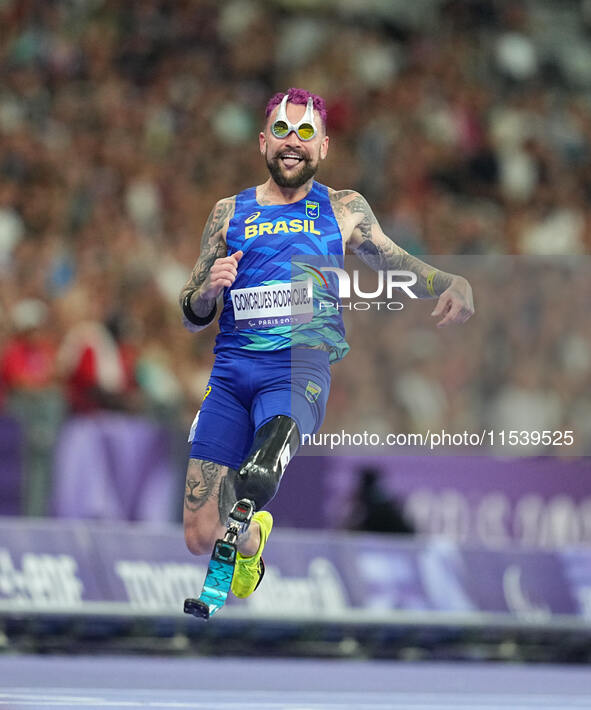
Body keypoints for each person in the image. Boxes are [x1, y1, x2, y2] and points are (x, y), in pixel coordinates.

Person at [180, 88, 474, 599]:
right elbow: (192, 313)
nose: (293, 142)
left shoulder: (343, 207)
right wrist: (206, 289)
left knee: (259, 473)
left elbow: (391, 259)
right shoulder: (228, 212)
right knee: (199, 534)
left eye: (306, 133)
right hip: (229, 377)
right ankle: (251, 542)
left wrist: (448, 280)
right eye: (282, 131)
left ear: (324, 146)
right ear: (262, 141)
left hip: (296, 372)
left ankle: (254, 501)